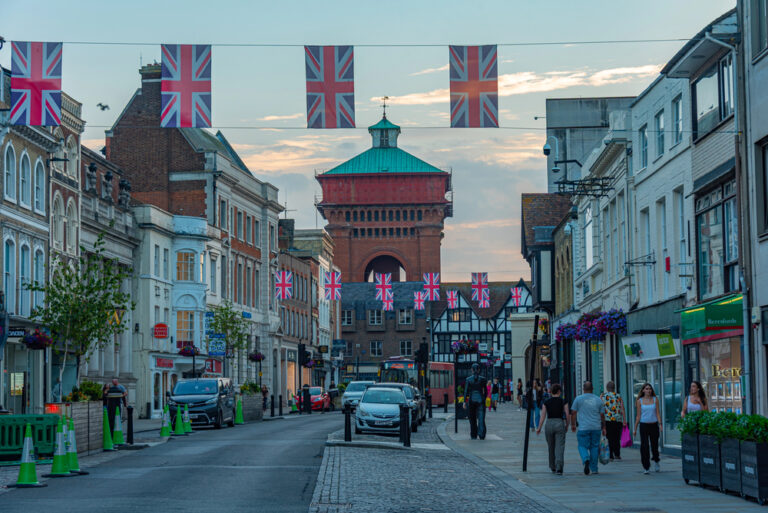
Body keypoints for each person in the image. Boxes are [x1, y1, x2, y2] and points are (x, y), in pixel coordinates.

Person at [570, 381, 606, 475]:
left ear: (583, 389)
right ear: (592, 389)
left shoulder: (578, 399)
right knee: (594, 447)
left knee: (582, 446)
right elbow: (602, 415)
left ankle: (586, 458)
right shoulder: (598, 400)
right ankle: (594, 469)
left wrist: (573, 424)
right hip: (596, 427)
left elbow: (573, 413)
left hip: (583, 428)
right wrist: (604, 426)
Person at [536, 383, 569, 475]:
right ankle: (559, 467)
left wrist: (539, 428)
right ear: (559, 391)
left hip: (549, 423)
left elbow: (542, 416)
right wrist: (567, 425)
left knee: (551, 446)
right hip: (559, 422)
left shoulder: (546, 402)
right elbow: (567, 414)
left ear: (551, 391)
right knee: (560, 446)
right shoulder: (563, 401)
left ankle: (552, 466)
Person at [633, 383, 662, 474]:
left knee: (654, 446)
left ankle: (656, 460)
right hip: (644, 425)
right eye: (646, 389)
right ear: (643, 390)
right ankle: (646, 467)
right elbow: (638, 416)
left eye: (649, 389)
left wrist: (660, 424)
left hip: (654, 425)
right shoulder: (639, 401)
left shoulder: (655, 399)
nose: (648, 390)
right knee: (644, 446)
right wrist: (635, 428)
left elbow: (657, 413)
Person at [601, 381, 626, 460]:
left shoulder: (603, 396)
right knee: (616, 437)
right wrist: (624, 420)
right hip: (617, 420)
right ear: (614, 388)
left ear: (607, 388)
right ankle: (617, 454)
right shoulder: (618, 396)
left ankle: (610, 454)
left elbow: (600, 409)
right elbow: (622, 409)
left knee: (609, 437)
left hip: (607, 420)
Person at [463, 363, 488, 440]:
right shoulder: (483, 379)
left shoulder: (468, 379)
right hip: (480, 399)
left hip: (472, 400)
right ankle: (481, 434)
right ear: (479, 370)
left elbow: (466, 392)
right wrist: (484, 398)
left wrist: (464, 402)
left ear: (472, 370)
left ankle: (473, 434)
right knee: (481, 418)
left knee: (472, 418)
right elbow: (486, 391)